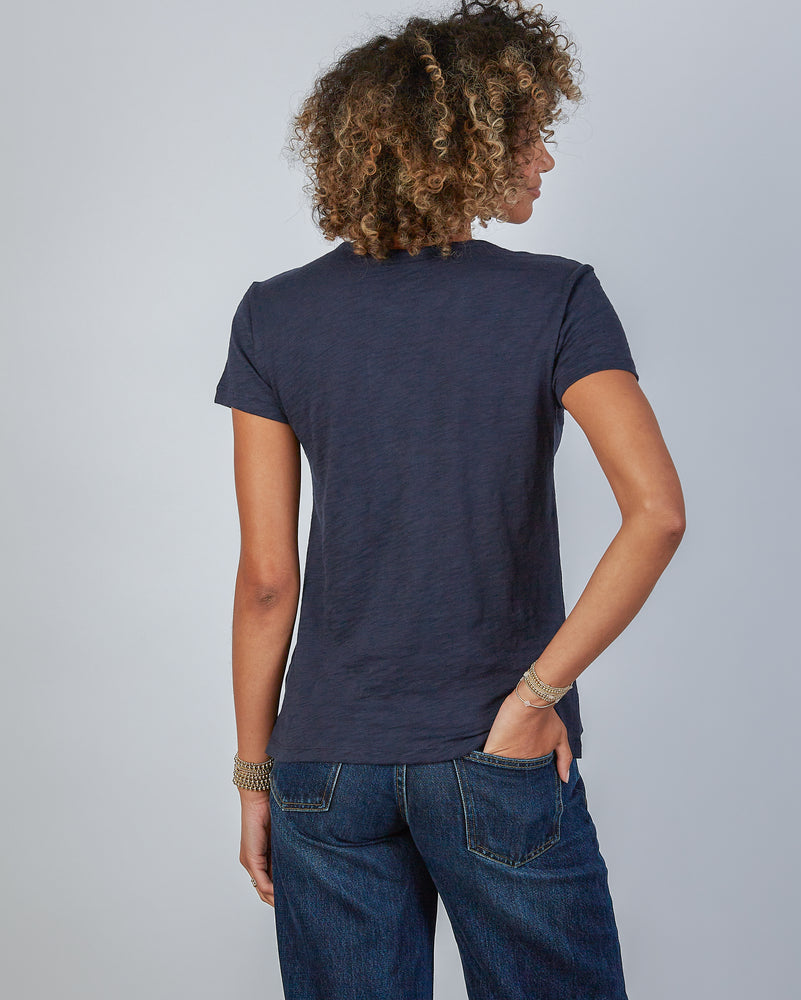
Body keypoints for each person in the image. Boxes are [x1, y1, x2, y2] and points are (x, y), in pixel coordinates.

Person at [214, 1, 685, 997]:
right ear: (463, 145)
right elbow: (657, 511)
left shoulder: (274, 313)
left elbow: (266, 581)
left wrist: (257, 777)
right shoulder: (555, 298)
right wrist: (536, 696)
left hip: (324, 767)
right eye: (528, 135)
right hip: (495, 755)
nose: (543, 161)